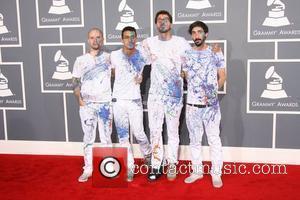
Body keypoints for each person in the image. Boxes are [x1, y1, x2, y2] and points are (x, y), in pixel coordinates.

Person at [138, 10, 191, 181]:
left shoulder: (181, 42)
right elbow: (137, 61)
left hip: (174, 96)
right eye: (159, 20)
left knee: (173, 131)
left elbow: (190, 64)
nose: (162, 22)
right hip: (155, 96)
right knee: (155, 131)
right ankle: (156, 164)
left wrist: (186, 73)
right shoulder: (148, 43)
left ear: (171, 23)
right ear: (156, 24)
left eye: (165, 19)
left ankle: (172, 164)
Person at [181, 21, 226, 188]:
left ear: (206, 34)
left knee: (214, 139)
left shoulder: (215, 52)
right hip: (192, 106)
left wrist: (213, 93)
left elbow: (222, 76)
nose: (196, 35)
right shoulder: (186, 54)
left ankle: (216, 174)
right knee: (194, 140)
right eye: (193, 32)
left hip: (211, 107)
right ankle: (197, 171)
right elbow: (185, 76)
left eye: (200, 32)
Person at [110, 26, 152, 182]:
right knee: (123, 137)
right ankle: (129, 167)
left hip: (135, 101)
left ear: (136, 38)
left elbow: (160, 58)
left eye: (132, 36)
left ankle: (148, 154)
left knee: (139, 133)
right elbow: (108, 70)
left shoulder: (142, 55)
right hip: (118, 101)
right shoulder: (113, 55)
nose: (130, 39)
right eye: (126, 37)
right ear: (122, 39)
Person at [72, 27, 112, 182]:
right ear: (88, 40)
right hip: (87, 105)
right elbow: (75, 81)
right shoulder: (80, 60)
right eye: (92, 37)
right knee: (88, 138)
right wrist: (80, 101)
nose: (95, 40)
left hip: (105, 105)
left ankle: (107, 168)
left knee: (106, 139)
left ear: (102, 39)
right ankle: (88, 169)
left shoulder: (109, 58)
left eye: (98, 37)